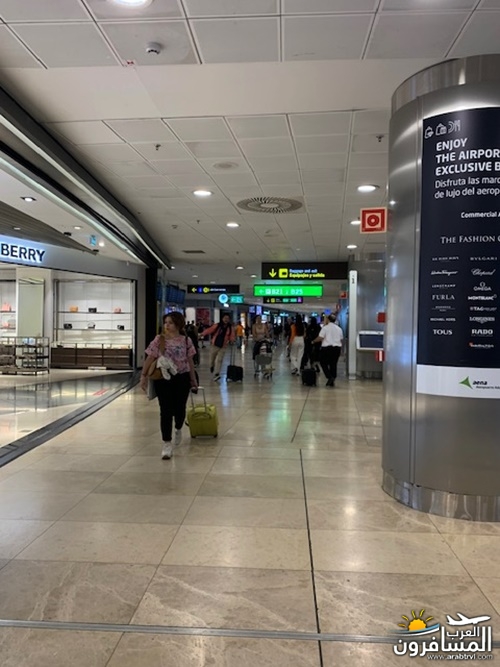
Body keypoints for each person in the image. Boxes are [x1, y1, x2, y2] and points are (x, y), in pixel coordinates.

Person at [140, 312, 198, 459]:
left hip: (182, 377)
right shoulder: (159, 340)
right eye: (166, 322)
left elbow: (190, 361)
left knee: (179, 408)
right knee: (165, 410)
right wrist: (143, 376)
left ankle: (178, 427)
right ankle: (166, 443)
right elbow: (150, 357)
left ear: (178, 324)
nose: (167, 325)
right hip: (163, 378)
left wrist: (193, 380)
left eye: (170, 322)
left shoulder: (186, 341)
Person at [313, 314, 343, 387]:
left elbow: (320, 337)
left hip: (326, 348)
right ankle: (333, 378)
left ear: (328, 320)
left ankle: (329, 376)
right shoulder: (339, 329)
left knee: (323, 363)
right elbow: (341, 339)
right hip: (337, 348)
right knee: (333, 364)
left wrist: (313, 341)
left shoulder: (325, 328)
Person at [203, 314, 235, 381]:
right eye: (225, 318)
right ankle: (212, 366)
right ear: (222, 319)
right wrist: (202, 334)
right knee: (212, 359)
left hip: (223, 346)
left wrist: (232, 340)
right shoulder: (217, 325)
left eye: (227, 318)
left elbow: (232, 335)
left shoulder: (230, 327)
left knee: (219, 360)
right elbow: (210, 330)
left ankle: (217, 373)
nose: (226, 319)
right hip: (214, 345)